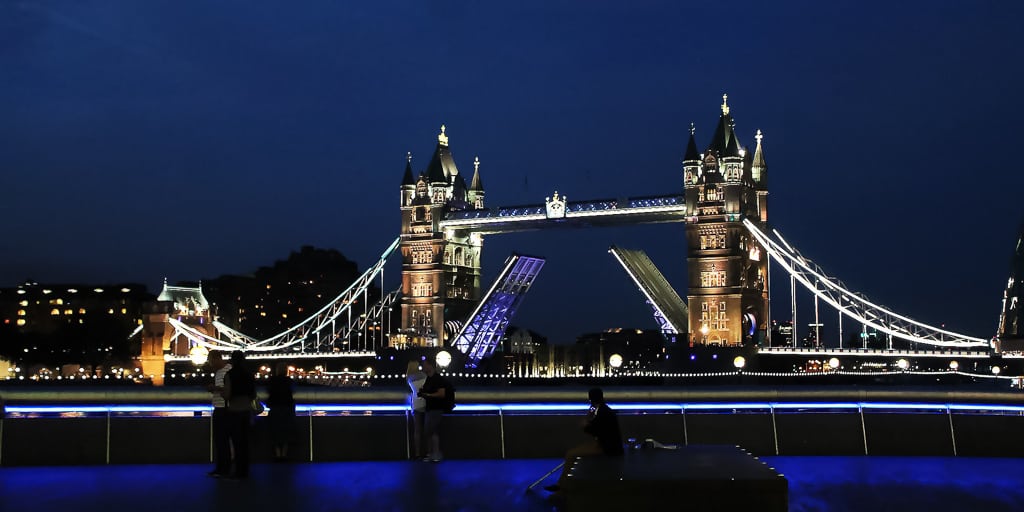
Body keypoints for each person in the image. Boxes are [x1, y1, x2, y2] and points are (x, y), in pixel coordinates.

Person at [544, 387, 623, 493]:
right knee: (573, 453)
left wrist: (585, 425)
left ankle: (562, 486)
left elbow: (596, 430)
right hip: (607, 445)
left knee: (571, 454)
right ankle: (562, 484)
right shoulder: (603, 409)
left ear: (591, 399)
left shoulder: (602, 412)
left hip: (608, 448)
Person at [222, 351, 256, 479]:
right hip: (246, 411)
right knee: (245, 443)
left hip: (234, 411)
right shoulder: (249, 375)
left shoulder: (229, 374)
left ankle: (237, 471)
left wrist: (220, 392)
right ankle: (245, 471)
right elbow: (253, 394)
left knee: (236, 443)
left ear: (232, 360)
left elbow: (227, 394)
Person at [417, 358, 452, 462]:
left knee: (431, 431)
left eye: (424, 365)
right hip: (430, 408)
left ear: (430, 366)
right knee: (431, 432)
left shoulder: (438, 379)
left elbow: (441, 394)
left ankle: (434, 453)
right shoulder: (429, 378)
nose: (423, 367)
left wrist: (427, 395)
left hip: (436, 408)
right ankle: (432, 453)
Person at [205, 351, 232, 478]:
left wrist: (215, 388)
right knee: (220, 441)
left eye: (210, 360)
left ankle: (224, 468)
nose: (210, 364)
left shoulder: (229, 370)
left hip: (225, 409)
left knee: (223, 441)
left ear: (217, 358)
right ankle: (221, 467)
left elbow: (230, 389)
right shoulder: (218, 372)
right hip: (218, 408)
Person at [266, 362, 295, 462]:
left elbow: (269, 392)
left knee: (275, 432)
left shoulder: (272, 381)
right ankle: (284, 454)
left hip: (275, 409)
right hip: (286, 409)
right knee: (286, 432)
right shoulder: (289, 381)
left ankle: (277, 455)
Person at [405, 360, 427, 460]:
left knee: (417, 430)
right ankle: (426, 451)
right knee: (427, 429)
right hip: (425, 402)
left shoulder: (409, 378)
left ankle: (417, 453)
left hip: (415, 403)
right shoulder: (423, 375)